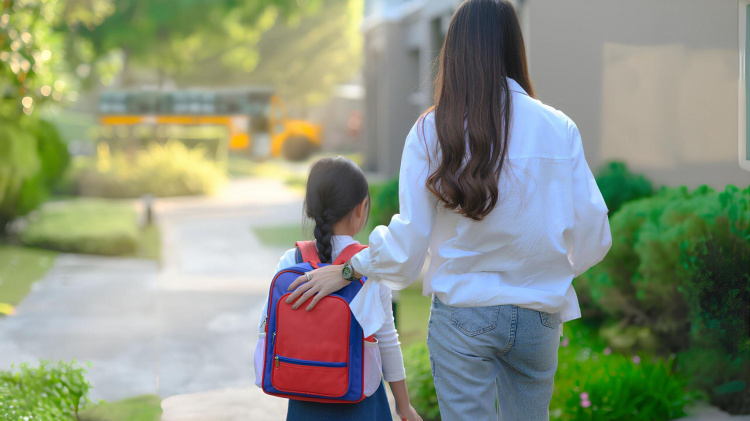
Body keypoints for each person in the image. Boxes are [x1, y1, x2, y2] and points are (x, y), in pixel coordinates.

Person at [286, 0, 612, 420]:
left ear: (453, 52)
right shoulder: (558, 128)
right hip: (537, 316)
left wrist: (350, 268)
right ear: (515, 46)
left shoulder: (430, 130)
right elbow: (595, 235)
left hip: (463, 315)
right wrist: (546, 272)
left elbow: (406, 251)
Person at [259, 156, 422, 421]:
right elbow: (387, 342)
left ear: (311, 207)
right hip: (361, 404)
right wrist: (404, 407)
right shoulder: (370, 267)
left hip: (303, 402)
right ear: (361, 208)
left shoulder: (291, 260)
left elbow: (266, 328)